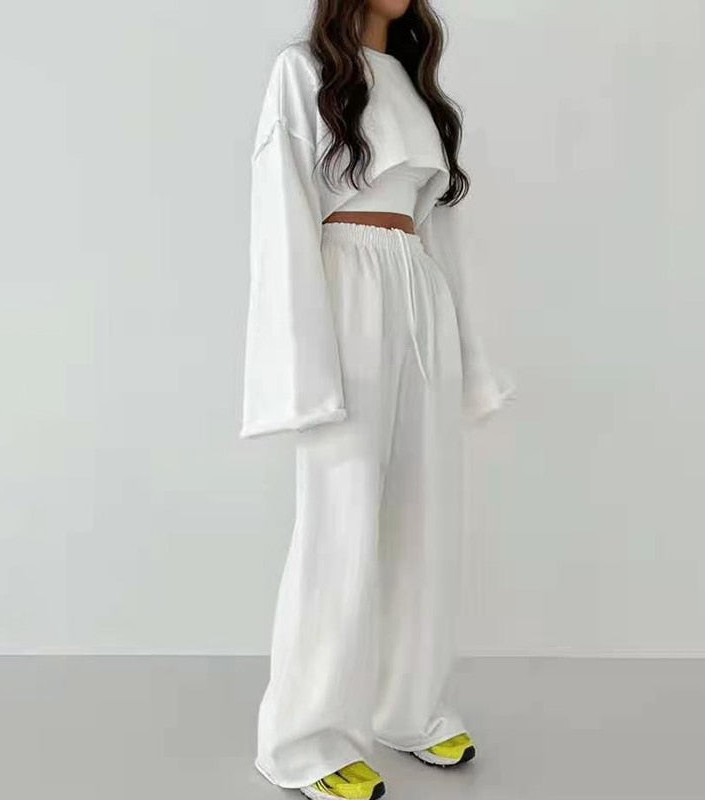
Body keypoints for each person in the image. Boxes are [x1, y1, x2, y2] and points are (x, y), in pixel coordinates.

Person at [240, 1, 516, 797]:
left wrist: (469, 359)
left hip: (416, 288)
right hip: (346, 284)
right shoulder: (303, 72)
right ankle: (305, 739)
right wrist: (301, 363)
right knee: (342, 517)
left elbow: (440, 234)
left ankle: (409, 709)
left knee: (428, 515)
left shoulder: (419, 91)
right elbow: (282, 213)